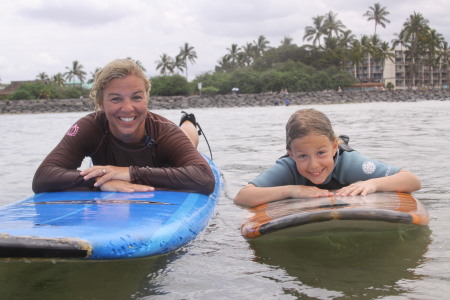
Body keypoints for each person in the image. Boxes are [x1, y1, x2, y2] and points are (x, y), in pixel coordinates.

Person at [32, 58, 215, 195]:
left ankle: (188, 121)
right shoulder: (91, 127)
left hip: (170, 154)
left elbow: (204, 178)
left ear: (147, 98)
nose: (127, 108)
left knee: (188, 140)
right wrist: (100, 180)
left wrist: (128, 173)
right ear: (101, 103)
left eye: (136, 97)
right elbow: (43, 177)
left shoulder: (163, 131)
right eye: (116, 99)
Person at [234, 108, 421, 207]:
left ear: (334, 146)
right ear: (291, 155)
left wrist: (372, 184)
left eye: (321, 153)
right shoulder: (288, 167)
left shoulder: (350, 163)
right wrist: (292, 190)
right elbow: (243, 196)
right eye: (303, 156)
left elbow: (411, 180)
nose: (314, 165)